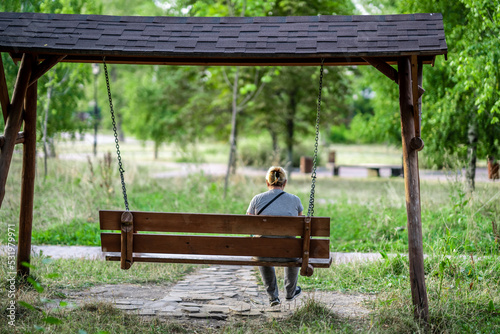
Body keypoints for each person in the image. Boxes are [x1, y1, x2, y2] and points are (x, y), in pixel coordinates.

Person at [246, 166, 303, 307]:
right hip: (289, 253)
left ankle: (273, 297)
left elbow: (248, 225)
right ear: (285, 183)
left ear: (267, 182)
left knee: (262, 249)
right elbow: (300, 227)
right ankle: (290, 292)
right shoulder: (295, 200)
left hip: (263, 253)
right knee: (293, 248)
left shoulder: (257, 199)